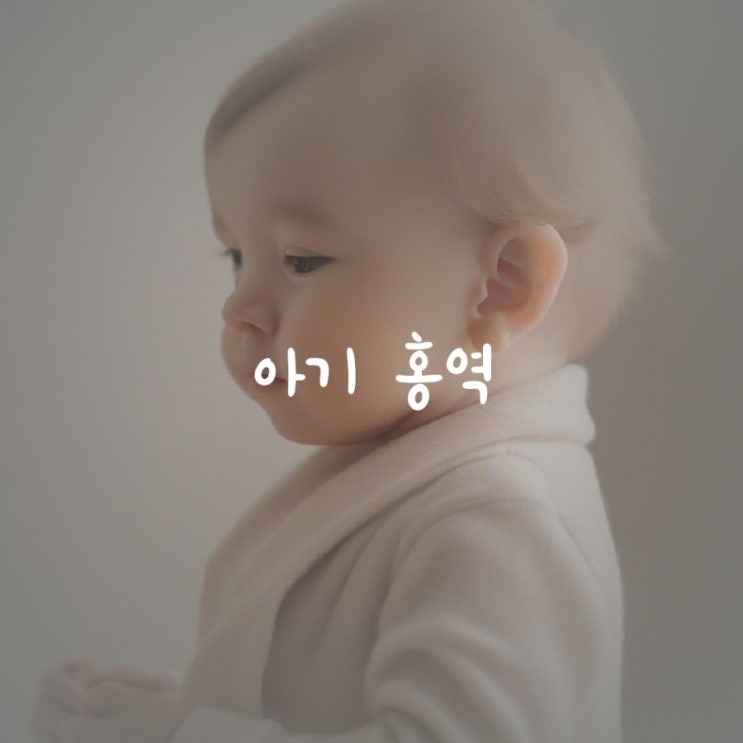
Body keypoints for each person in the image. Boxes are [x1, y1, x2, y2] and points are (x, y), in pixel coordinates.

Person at [31, 0, 667, 741]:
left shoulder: (498, 523)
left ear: (500, 285)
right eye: (236, 255)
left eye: (300, 259)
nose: (239, 308)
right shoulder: (412, 470)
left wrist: (184, 734)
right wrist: (177, 708)